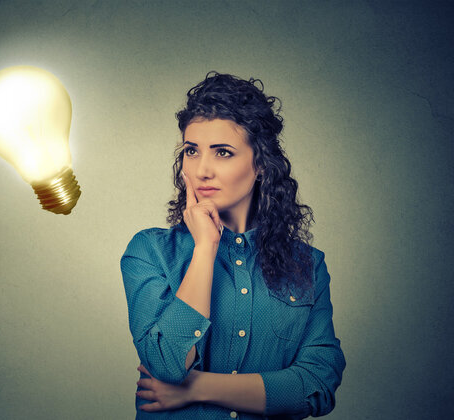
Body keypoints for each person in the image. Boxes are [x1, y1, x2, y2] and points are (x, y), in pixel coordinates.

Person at [120, 72, 345, 419]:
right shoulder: (149, 251)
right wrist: (205, 249)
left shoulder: (308, 265)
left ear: (260, 165)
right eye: (192, 151)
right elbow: (166, 364)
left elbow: (316, 387)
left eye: (223, 152)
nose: (202, 170)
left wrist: (197, 388)